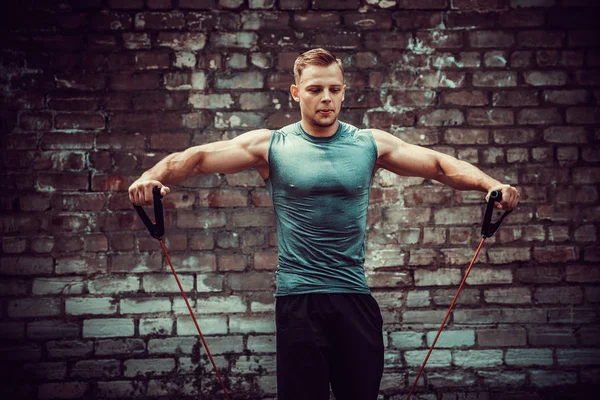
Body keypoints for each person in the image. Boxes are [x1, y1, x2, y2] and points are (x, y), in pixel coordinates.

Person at [129, 48, 520, 400]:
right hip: (298, 300)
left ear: (345, 91)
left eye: (334, 89)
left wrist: (491, 184)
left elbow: (437, 165)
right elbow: (197, 158)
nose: (326, 98)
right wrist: (150, 175)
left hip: (354, 297)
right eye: (315, 89)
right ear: (296, 93)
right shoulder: (272, 145)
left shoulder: (369, 144)